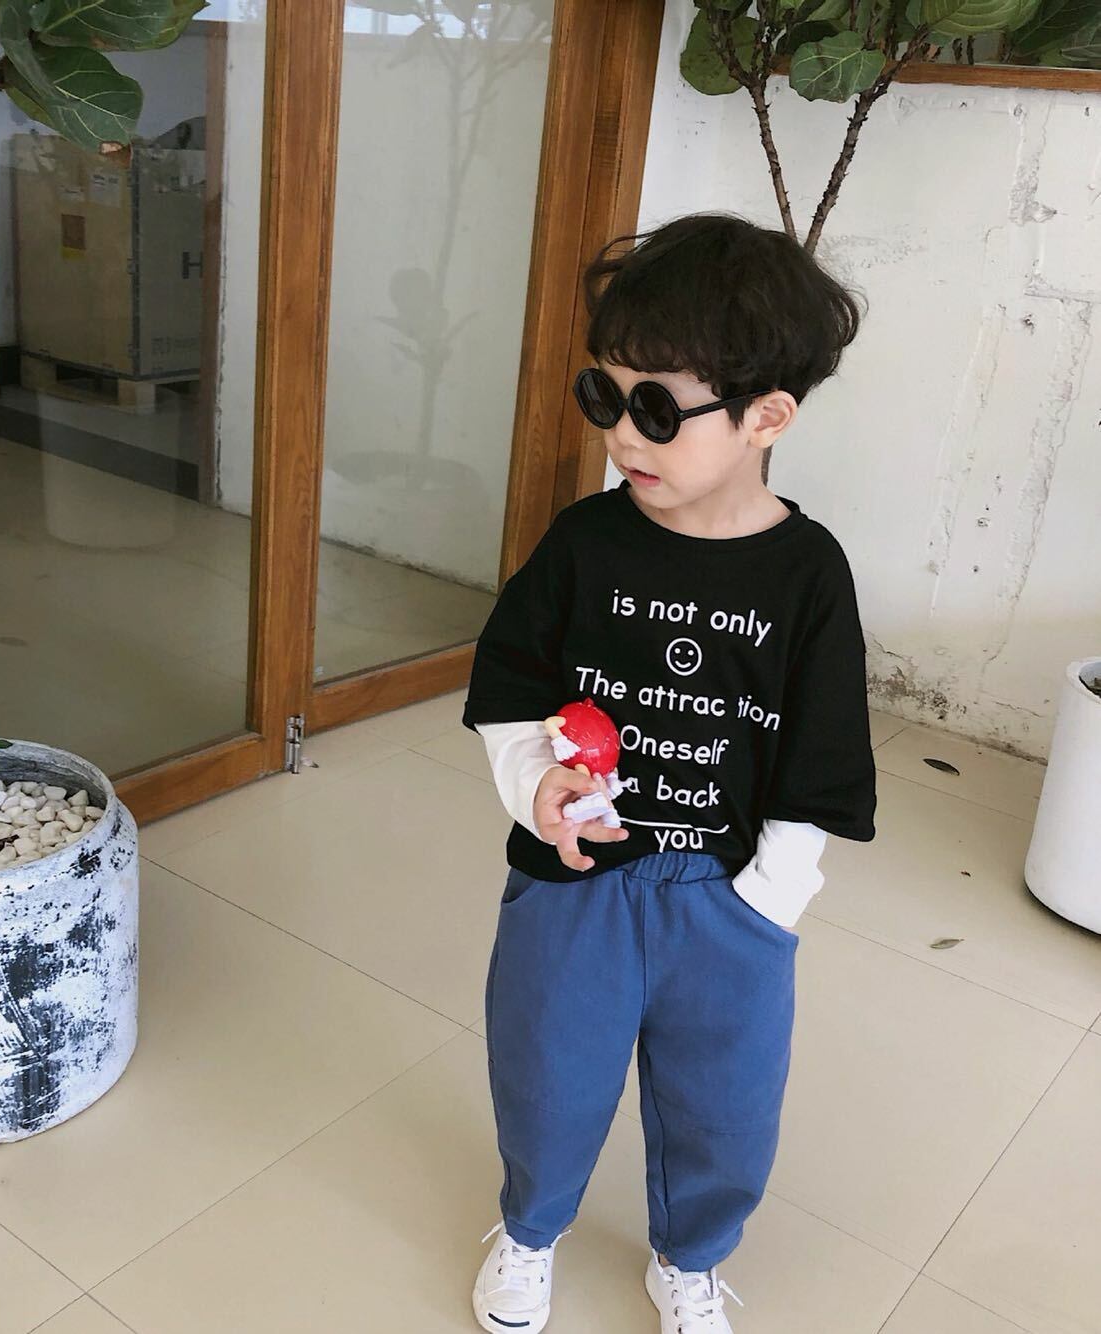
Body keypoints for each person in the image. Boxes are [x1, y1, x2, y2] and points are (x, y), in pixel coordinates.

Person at [462, 213, 877, 1334]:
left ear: (765, 416)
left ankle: (689, 1256)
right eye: (603, 397)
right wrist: (533, 782)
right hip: (573, 878)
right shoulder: (585, 541)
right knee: (545, 1075)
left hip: (724, 896)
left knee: (723, 1105)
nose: (620, 435)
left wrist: (769, 900)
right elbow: (510, 681)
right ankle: (530, 1228)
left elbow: (823, 754)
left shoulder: (808, 574)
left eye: (655, 411)